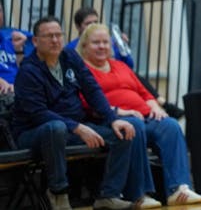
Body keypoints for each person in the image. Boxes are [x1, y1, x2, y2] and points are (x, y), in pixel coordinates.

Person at [12, 16, 154, 210]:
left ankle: (107, 195)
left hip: (72, 129)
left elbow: (93, 90)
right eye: (48, 36)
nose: (55, 40)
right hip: (34, 133)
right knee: (55, 128)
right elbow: (38, 114)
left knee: (128, 128)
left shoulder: (70, 57)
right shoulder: (28, 71)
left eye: (58, 35)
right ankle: (58, 194)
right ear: (35, 41)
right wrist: (78, 127)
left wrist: (112, 119)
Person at [77, 23, 201, 206]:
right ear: (84, 47)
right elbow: (86, 103)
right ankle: (138, 194)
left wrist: (155, 107)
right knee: (133, 126)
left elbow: (145, 92)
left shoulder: (121, 66)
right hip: (112, 120)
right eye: (96, 42)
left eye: (105, 42)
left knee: (170, 125)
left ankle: (178, 189)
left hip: (145, 115)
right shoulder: (82, 70)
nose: (102, 46)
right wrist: (123, 112)